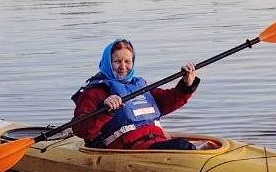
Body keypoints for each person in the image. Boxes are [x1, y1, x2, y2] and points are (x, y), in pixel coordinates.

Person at [71, 38, 200, 150]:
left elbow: (167, 101)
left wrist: (187, 85)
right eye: (117, 61)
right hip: (126, 147)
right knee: (182, 146)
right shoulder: (94, 91)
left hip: (155, 140)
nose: (123, 66)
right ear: (108, 62)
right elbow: (80, 129)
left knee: (200, 146)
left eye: (127, 62)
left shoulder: (140, 85)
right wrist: (104, 110)